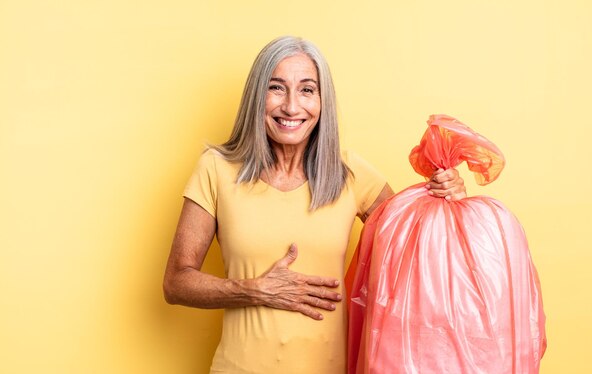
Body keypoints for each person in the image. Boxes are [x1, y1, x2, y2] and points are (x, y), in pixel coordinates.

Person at [163, 36, 466, 374]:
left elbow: (418, 250)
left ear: (323, 101)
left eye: (307, 90)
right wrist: (255, 290)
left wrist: (448, 198)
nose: (292, 107)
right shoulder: (216, 169)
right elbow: (176, 283)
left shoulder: (350, 174)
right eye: (277, 88)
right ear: (256, 96)